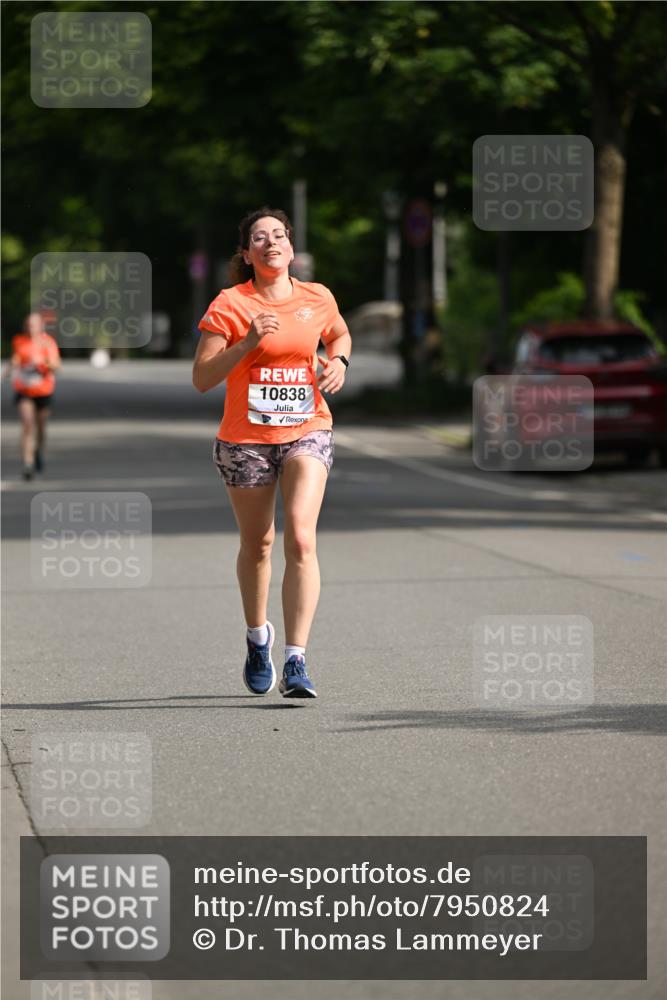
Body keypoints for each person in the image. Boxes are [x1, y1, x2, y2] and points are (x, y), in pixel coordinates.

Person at [193, 208, 352, 699]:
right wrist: (247, 342)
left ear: (291, 245)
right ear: (247, 254)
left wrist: (339, 361)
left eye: (278, 235)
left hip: (308, 427)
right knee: (259, 543)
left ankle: (296, 659)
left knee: (301, 539)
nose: (271, 243)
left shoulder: (317, 296)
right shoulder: (230, 304)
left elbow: (340, 334)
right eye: (259, 238)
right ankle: (258, 638)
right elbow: (202, 378)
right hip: (245, 440)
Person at [9, 313, 61, 480]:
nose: (31, 329)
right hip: (24, 389)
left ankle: (38, 451)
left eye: (34, 325)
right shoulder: (19, 341)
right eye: (29, 325)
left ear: (40, 326)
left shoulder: (48, 342)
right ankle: (28, 463)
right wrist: (12, 366)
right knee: (27, 425)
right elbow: (16, 359)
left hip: (44, 390)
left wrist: (43, 362)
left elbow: (56, 367)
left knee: (41, 427)